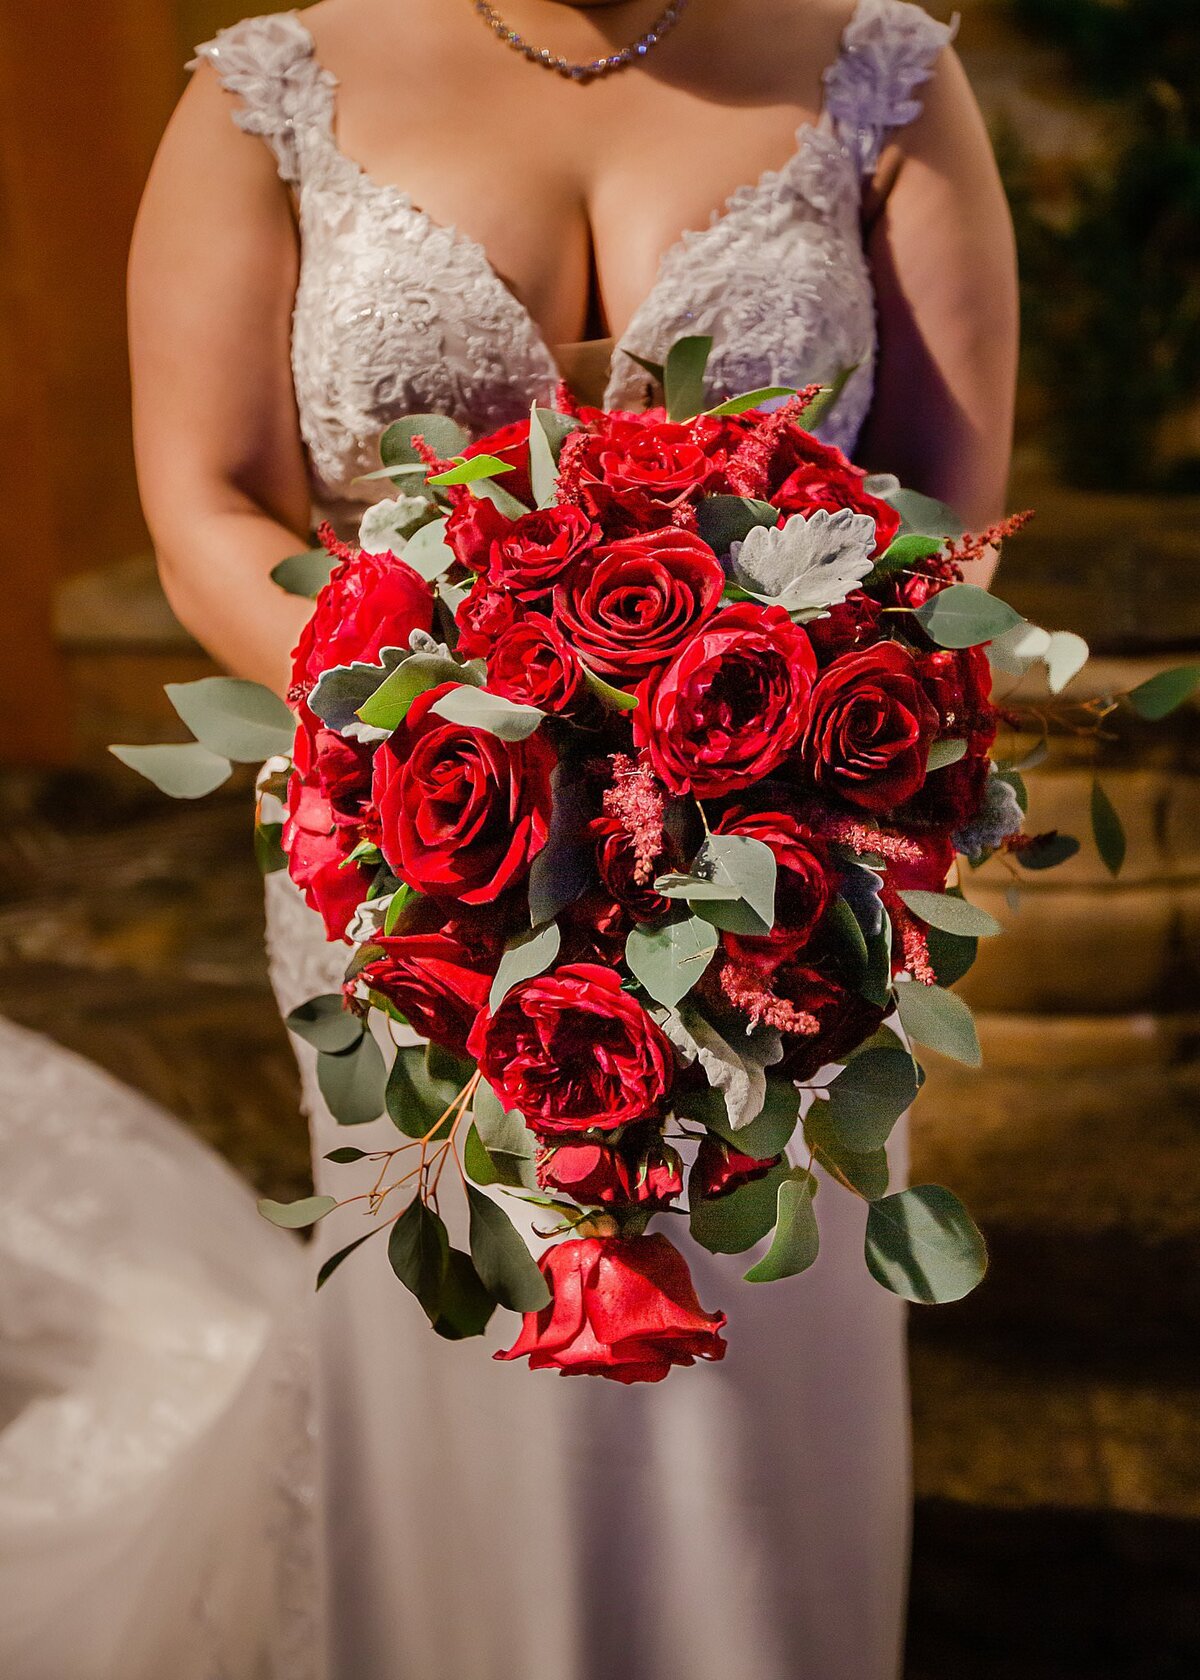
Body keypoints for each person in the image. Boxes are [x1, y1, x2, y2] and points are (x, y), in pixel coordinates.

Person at [128, 3, 1017, 1677]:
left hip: (777, 858)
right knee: (461, 1354)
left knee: (768, 1389)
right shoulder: (278, 84)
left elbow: (942, 513)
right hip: (415, 854)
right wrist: (454, 695)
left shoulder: (879, 65)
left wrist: (757, 727)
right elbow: (202, 500)